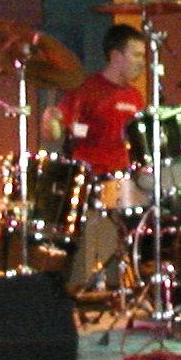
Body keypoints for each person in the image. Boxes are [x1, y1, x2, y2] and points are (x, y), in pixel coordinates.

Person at [41, 24, 147, 289]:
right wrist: (50, 120)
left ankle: (119, 287)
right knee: (93, 246)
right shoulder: (85, 89)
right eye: (137, 55)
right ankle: (84, 287)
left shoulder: (136, 96)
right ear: (116, 56)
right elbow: (55, 131)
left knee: (128, 239)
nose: (142, 62)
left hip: (126, 183)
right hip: (92, 182)